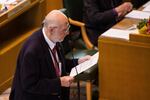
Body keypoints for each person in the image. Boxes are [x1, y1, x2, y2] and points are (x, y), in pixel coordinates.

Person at [9, 10, 91, 100]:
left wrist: (78, 61)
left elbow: (57, 63)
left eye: (68, 28)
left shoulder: (54, 38)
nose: (67, 33)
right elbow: (30, 85)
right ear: (51, 29)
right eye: (64, 30)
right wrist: (59, 82)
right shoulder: (32, 51)